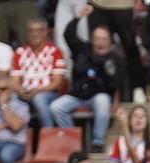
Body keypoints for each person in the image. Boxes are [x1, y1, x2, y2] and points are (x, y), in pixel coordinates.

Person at [54, 14, 126, 153]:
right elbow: (68, 35)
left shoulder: (116, 59)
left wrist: (116, 101)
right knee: (56, 107)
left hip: (99, 95)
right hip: (78, 95)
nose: (100, 42)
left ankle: (98, 142)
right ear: (92, 39)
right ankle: (73, 142)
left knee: (102, 101)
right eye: (97, 39)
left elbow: (117, 83)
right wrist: (77, 18)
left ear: (110, 41)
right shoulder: (83, 49)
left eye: (103, 39)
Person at [11, 18, 68, 131]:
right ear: (27, 33)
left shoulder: (55, 51)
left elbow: (57, 83)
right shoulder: (20, 52)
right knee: (10, 97)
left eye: (39, 30)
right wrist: (20, 90)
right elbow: (14, 81)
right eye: (31, 31)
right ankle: (15, 137)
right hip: (25, 93)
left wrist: (37, 90)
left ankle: (49, 133)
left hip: (48, 93)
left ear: (45, 32)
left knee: (39, 98)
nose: (35, 34)